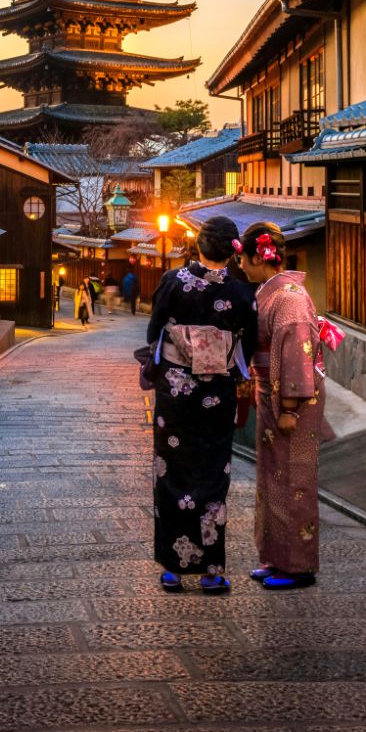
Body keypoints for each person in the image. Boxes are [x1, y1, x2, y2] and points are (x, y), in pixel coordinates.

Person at [145, 216, 257, 594]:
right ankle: (212, 570)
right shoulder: (242, 293)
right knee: (212, 474)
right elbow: (249, 343)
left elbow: (154, 330)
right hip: (217, 395)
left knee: (171, 471)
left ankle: (173, 569)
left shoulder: (172, 281)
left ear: (199, 244)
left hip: (176, 393)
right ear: (232, 250)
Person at [237, 221, 335, 589]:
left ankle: (298, 566)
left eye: (242, 259)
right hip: (272, 393)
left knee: (294, 478)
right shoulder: (271, 292)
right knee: (273, 476)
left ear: (257, 257)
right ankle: (276, 556)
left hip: (292, 399)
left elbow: (296, 355)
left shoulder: (289, 298)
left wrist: (291, 407)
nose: (240, 267)